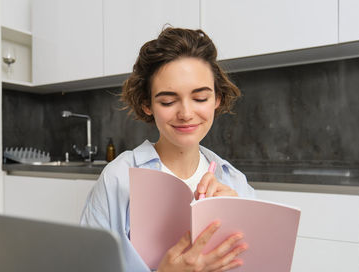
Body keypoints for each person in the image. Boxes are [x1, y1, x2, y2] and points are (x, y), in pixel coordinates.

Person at [80, 27, 256, 272]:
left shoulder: (235, 183)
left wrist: (241, 220)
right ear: (147, 104)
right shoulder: (118, 178)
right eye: (168, 101)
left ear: (217, 99)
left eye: (200, 98)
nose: (185, 113)